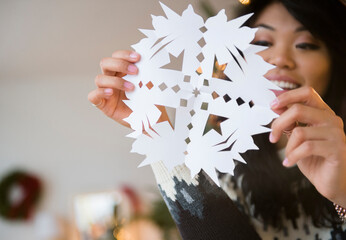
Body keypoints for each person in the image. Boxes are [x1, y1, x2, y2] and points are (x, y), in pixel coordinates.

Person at [88, 0, 346, 239]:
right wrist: (157, 130)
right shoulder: (220, 160)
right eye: (264, 42)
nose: (280, 59)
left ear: (335, 61)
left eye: (305, 44)